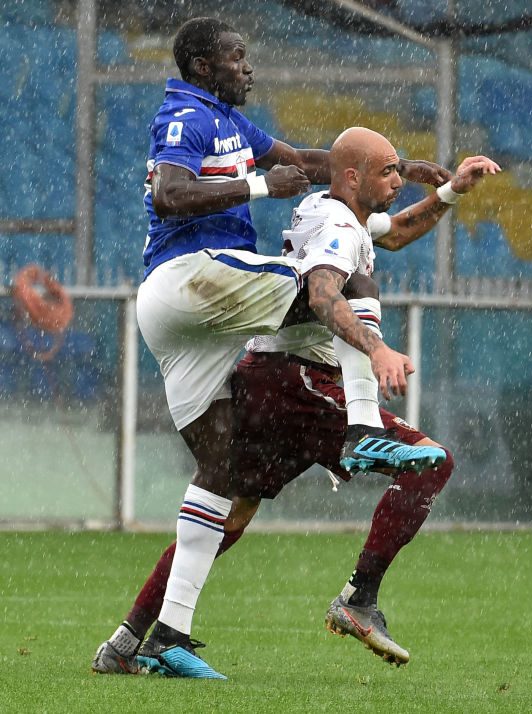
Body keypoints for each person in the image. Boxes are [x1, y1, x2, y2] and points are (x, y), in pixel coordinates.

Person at [92, 144, 502, 676]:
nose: (399, 179)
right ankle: (359, 593)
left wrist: (448, 192)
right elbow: (326, 290)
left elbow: (396, 232)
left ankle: (131, 639)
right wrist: (376, 350)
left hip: (268, 379)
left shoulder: (332, 214)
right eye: (388, 171)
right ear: (352, 178)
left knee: (227, 514)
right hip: (300, 381)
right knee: (431, 461)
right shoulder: (338, 225)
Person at [129, 17, 451, 678]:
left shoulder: (231, 122)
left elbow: (303, 164)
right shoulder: (185, 115)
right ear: (201, 63)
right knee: (335, 281)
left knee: (219, 477)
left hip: (192, 321)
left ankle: (150, 637)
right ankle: (362, 433)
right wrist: (254, 188)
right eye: (237, 55)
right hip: (192, 278)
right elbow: (168, 194)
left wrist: (404, 172)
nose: (248, 67)